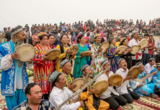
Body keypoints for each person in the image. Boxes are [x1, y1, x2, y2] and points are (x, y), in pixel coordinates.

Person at [0, 25, 32, 110]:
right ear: (15, 36)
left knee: (23, 107)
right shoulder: (3, 47)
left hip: (23, 82)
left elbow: (28, 65)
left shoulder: (24, 47)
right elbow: (1, 65)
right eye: (22, 35)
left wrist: (29, 61)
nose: (24, 37)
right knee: (12, 108)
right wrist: (11, 57)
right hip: (10, 84)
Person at [33, 32, 54, 100]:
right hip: (40, 70)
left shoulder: (49, 47)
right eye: (44, 39)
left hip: (49, 69)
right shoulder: (36, 48)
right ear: (39, 39)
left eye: (47, 39)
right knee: (41, 87)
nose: (46, 40)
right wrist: (43, 58)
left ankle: (47, 100)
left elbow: (52, 57)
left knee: (48, 86)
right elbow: (33, 59)